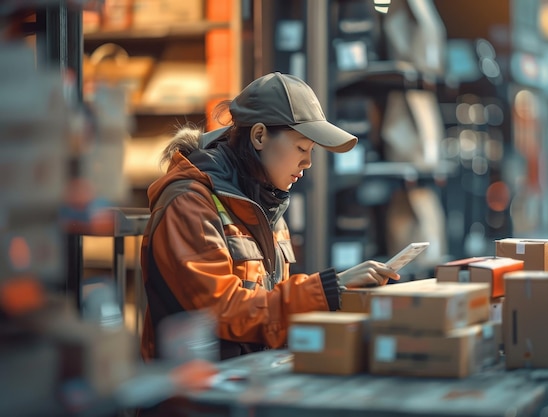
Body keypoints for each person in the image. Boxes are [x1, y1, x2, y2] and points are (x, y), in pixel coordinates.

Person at [140, 72, 400, 362]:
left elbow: (270, 309)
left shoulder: (267, 203)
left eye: (312, 151)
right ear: (260, 135)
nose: (308, 162)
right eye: (302, 147)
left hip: (251, 384)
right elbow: (221, 311)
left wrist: (344, 298)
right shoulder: (188, 202)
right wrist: (329, 289)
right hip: (196, 397)